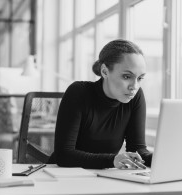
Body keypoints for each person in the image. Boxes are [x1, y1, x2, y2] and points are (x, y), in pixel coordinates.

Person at [48, 39, 152, 169]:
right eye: (126, 76)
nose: (134, 86)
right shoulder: (78, 92)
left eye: (140, 78)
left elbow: (137, 149)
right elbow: (64, 155)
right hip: (63, 176)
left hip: (102, 176)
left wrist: (160, 159)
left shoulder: (135, 96)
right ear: (105, 72)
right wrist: (112, 160)